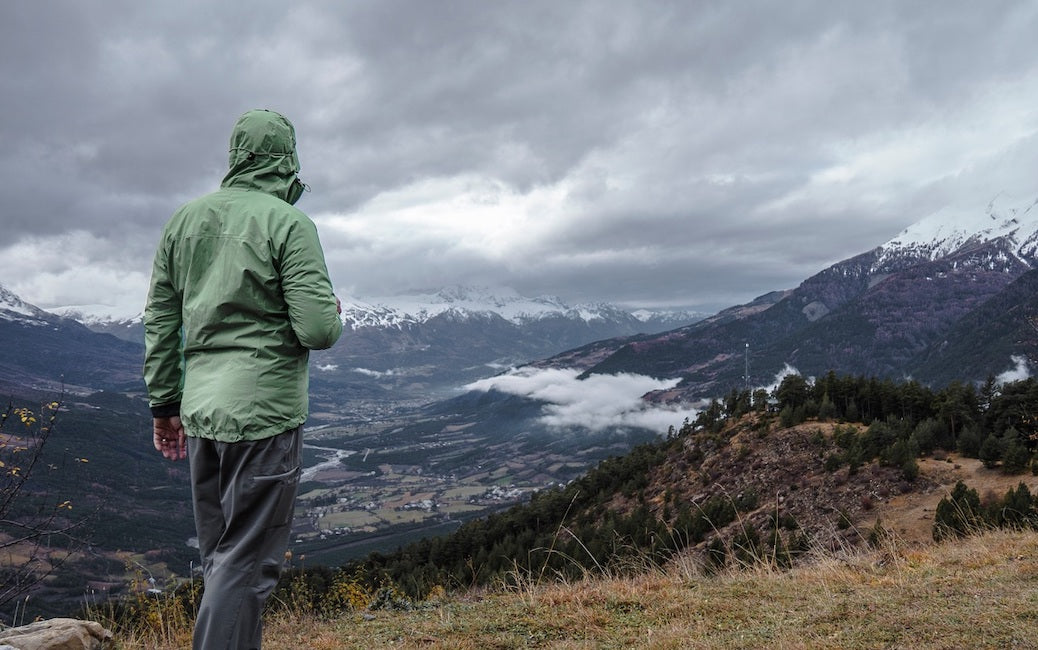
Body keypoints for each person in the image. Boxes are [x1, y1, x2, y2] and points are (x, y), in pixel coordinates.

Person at [144, 109, 343, 649]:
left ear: (235, 156)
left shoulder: (184, 221)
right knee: (247, 567)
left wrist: (164, 406)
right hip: (262, 416)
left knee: (222, 560)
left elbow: (161, 320)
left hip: (201, 414)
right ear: (288, 158)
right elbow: (319, 330)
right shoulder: (288, 223)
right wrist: (333, 309)